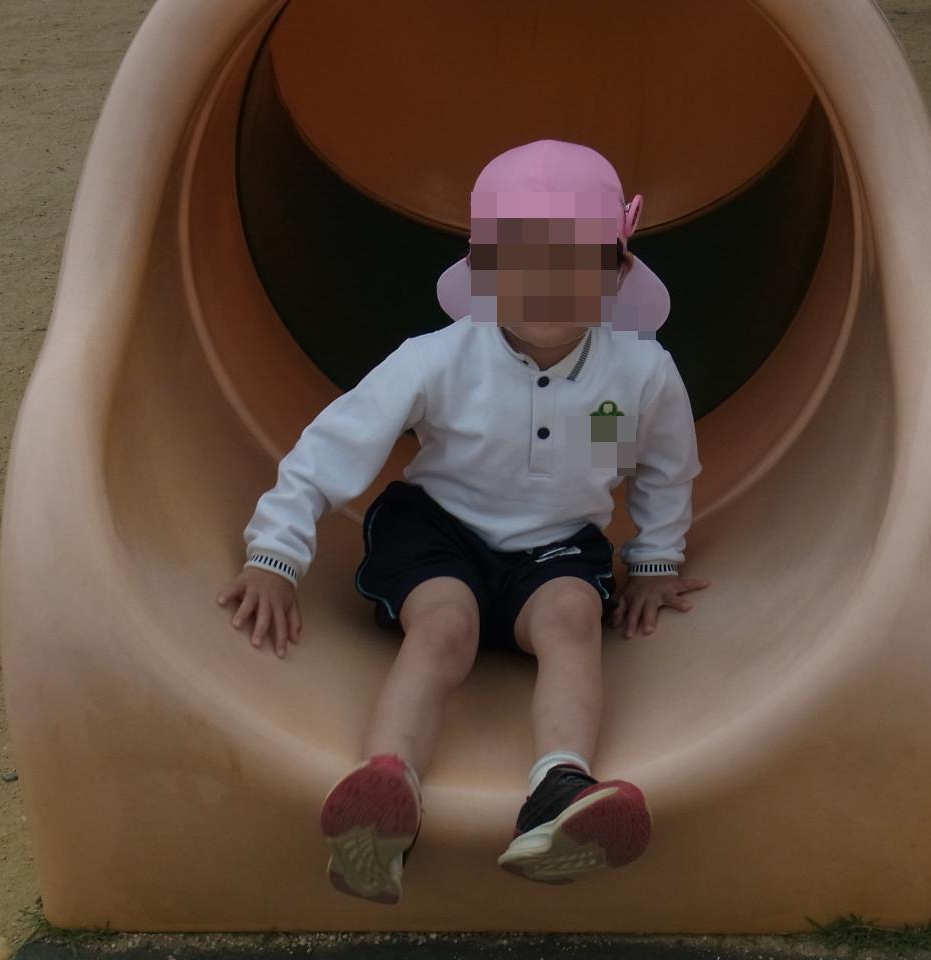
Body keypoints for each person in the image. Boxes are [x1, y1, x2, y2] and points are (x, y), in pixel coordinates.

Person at [216, 139, 707, 904]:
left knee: (574, 618)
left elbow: (667, 470)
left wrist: (653, 562)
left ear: (616, 273)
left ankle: (560, 787)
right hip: (439, 532)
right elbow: (333, 445)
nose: (547, 284)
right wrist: (274, 554)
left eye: (575, 261)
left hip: (556, 547)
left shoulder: (643, 373)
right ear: (483, 270)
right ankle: (385, 791)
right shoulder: (436, 358)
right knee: (446, 626)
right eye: (522, 260)